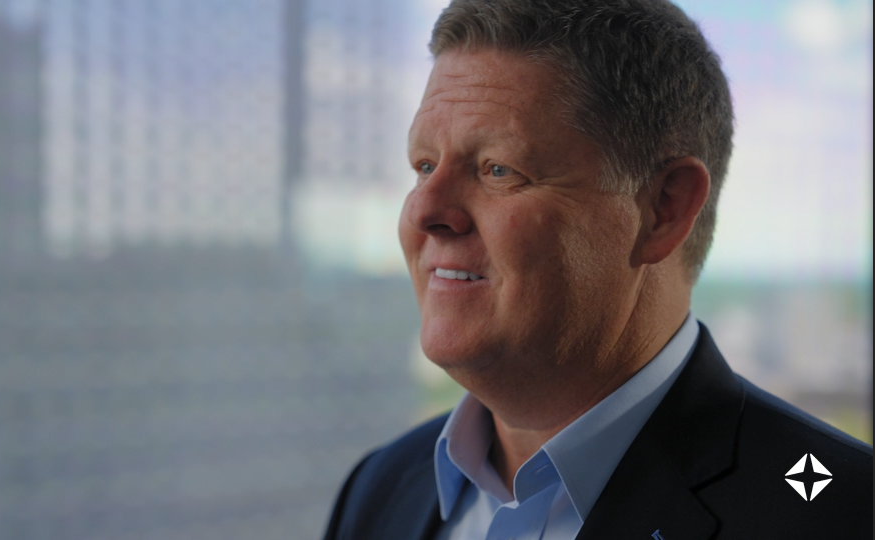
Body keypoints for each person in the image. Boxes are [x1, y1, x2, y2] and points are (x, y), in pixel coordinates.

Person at [322, 1, 873, 538]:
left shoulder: (845, 513)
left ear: (663, 209)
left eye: (497, 169)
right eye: (423, 166)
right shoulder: (379, 489)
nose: (423, 210)